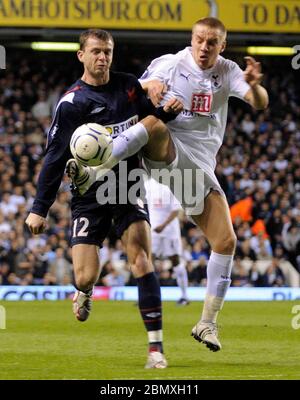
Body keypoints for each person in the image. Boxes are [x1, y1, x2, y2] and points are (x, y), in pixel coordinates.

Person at [69, 18, 269, 352]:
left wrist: (255, 85)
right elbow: (133, 93)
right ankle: (96, 165)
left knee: (225, 240)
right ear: (192, 39)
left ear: (223, 44)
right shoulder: (170, 63)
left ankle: (206, 322)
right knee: (156, 124)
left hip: (196, 167)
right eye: (200, 40)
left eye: (212, 43)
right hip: (161, 151)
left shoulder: (229, 70)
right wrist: (151, 89)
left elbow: (259, 102)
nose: (204, 48)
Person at [25, 29, 182, 369]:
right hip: (89, 193)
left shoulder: (128, 86)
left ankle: (156, 349)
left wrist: (166, 111)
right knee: (85, 275)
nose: (103, 57)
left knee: (141, 259)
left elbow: (148, 120)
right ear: (80, 55)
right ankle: (83, 291)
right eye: (96, 51)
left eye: (107, 51)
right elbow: (54, 157)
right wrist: (40, 208)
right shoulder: (72, 104)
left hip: (128, 184)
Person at [144, 176, 189, 305]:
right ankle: (148, 296)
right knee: (149, 261)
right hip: (153, 231)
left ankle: (184, 296)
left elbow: (176, 211)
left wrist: (163, 225)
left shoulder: (171, 184)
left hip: (170, 232)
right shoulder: (147, 185)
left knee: (175, 261)